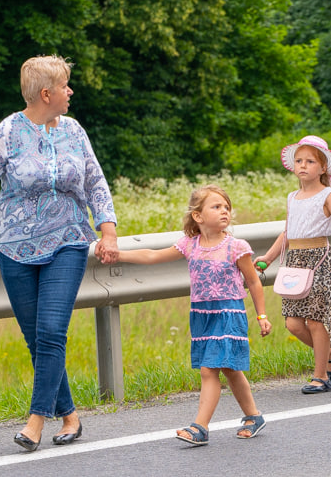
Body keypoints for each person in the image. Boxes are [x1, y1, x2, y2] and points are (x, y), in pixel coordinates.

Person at [0, 55, 119, 452]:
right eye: (65, 86)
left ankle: (35, 421)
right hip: (13, 248)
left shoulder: (73, 130)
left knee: (51, 331)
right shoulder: (7, 132)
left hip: (68, 240)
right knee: (37, 339)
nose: (70, 92)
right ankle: (70, 415)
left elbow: (95, 180)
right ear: (45, 93)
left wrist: (108, 231)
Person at [112, 185, 272, 445]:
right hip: (202, 314)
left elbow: (253, 282)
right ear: (198, 216)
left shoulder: (236, 246)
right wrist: (119, 254)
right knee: (230, 370)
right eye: (216, 207)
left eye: (226, 207)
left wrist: (261, 316)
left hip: (229, 312)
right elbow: (153, 255)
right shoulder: (190, 244)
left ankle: (200, 427)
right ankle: (254, 416)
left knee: (210, 370)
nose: (224, 212)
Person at [255, 135, 331, 394]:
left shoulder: (328, 194)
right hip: (295, 262)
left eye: (310, 161)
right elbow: (288, 232)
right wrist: (268, 257)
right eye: (299, 160)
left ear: (323, 168)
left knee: (317, 321)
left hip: (320, 260)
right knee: (294, 323)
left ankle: (321, 376)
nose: (303, 165)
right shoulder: (292, 197)